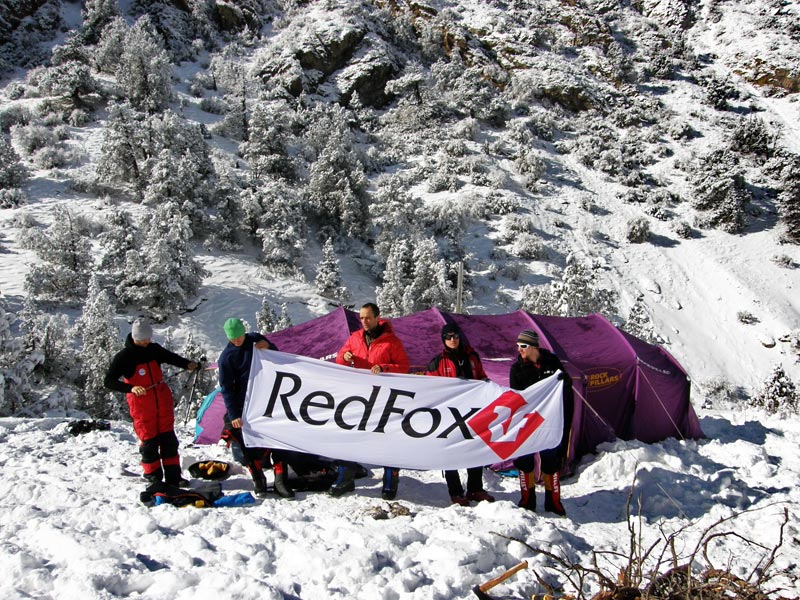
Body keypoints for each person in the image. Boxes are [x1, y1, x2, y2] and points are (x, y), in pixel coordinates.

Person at [104, 318, 199, 487]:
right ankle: (153, 476)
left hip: (162, 401)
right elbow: (108, 381)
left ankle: (174, 476)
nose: (146, 342)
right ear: (134, 337)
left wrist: (188, 364)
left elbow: (171, 358)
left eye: (148, 338)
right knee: (149, 442)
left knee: (169, 440)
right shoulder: (124, 357)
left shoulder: (153, 349)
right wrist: (131, 388)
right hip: (141, 405)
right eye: (143, 339)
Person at [333, 302, 410, 499]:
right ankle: (345, 478)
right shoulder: (355, 337)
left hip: (384, 397)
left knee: (387, 437)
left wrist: (384, 368)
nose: (364, 322)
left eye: (368, 318)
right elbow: (340, 359)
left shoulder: (391, 341)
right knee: (348, 433)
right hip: (358, 395)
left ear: (377, 318)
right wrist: (345, 357)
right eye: (361, 318)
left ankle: (390, 480)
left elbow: (403, 367)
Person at [217, 317, 294, 499]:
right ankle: (258, 479)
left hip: (267, 398)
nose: (237, 341)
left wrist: (268, 346)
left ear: (244, 332)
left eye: (239, 337)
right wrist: (235, 414)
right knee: (247, 441)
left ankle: (280, 479)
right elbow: (226, 389)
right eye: (232, 339)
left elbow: (276, 355)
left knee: (277, 437)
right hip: (245, 404)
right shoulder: (226, 358)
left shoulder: (254, 339)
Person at [426, 323, 496, 506]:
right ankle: (455, 492)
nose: (452, 340)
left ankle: (475, 488)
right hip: (449, 414)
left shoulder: (472, 356)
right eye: (448, 337)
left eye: (455, 336)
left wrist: (486, 386)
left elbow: (481, 377)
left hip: (473, 411)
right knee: (450, 451)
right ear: (443, 339)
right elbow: (430, 388)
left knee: (475, 449)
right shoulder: (437, 362)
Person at [509, 329, 573, 517]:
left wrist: (565, 381)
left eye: (523, 346)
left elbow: (566, 385)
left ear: (534, 347)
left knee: (551, 460)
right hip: (528, 421)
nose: (519, 350)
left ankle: (553, 501)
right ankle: (527, 499)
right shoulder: (517, 369)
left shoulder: (551, 362)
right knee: (525, 460)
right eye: (517, 346)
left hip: (549, 421)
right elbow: (518, 397)